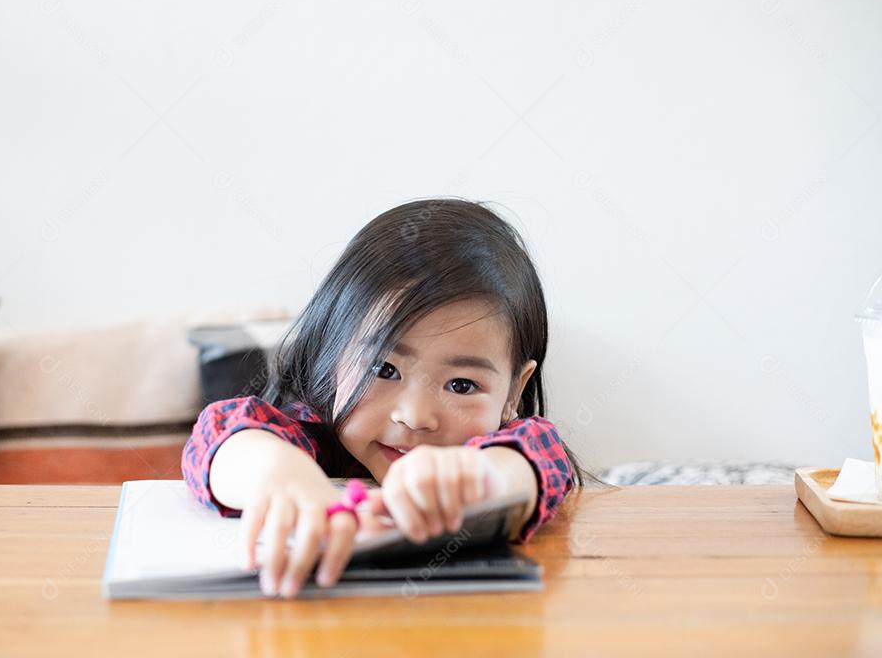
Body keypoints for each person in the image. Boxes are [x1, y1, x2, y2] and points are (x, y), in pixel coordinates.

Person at [182, 197, 596, 598]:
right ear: (333, 360)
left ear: (514, 392)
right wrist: (279, 475)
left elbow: (535, 462)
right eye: (384, 370)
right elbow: (222, 434)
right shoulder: (310, 437)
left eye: (462, 385)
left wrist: (479, 477)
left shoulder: (514, 443)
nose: (415, 417)